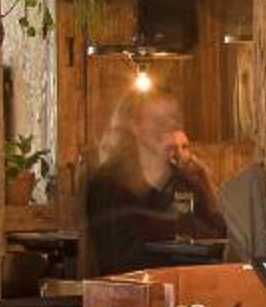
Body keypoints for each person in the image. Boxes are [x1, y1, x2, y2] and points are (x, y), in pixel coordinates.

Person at [81, 90, 228, 277]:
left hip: (186, 288)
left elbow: (217, 238)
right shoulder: (107, 184)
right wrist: (174, 231)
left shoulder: (186, 182)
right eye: (158, 120)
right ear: (135, 125)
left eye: (173, 118)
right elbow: (118, 258)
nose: (169, 126)